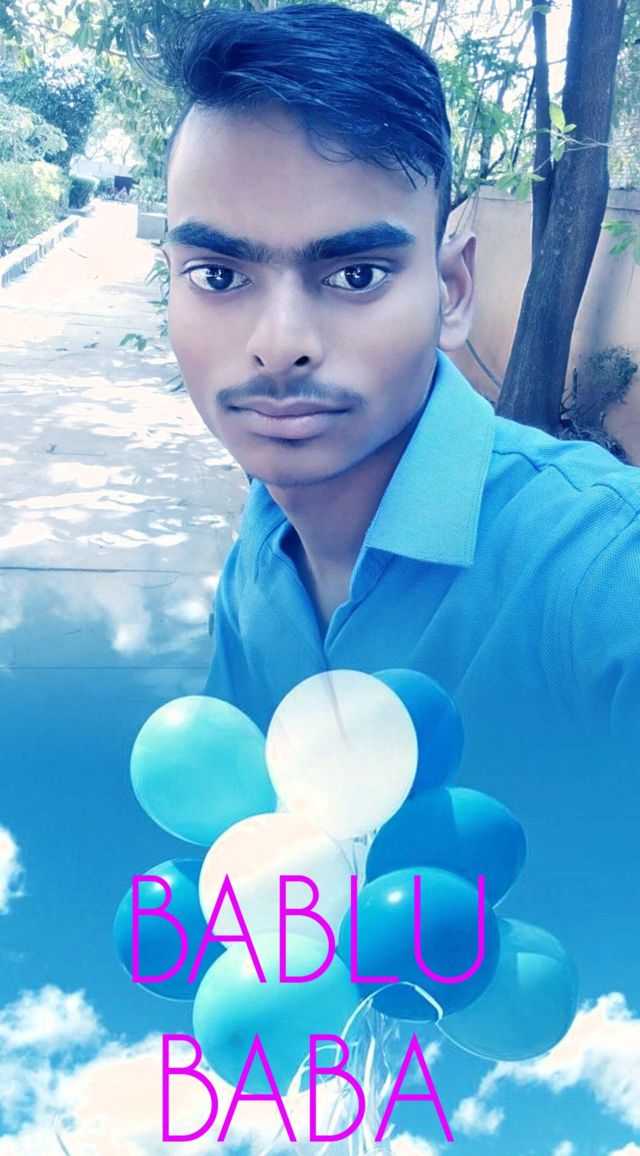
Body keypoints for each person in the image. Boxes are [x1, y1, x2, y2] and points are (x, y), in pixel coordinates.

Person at [157, 4, 640, 799]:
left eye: (356, 275)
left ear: (452, 291)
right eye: (218, 275)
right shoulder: (260, 553)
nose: (280, 344)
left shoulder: (593, 568)